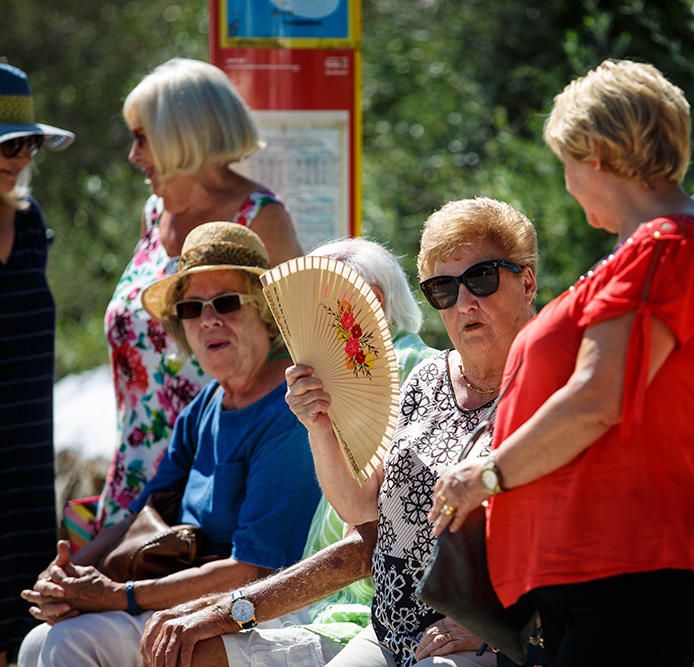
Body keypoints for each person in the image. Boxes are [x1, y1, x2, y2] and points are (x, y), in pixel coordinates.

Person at [431, 59, 694, 667]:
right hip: (602, 572)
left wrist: (487, 475)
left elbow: (596, 397)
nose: (568, 184)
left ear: (598, 154)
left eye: (567, 164)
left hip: (635, 567)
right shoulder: (658, 250)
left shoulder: (668, 249)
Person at [18, 222, 320, 667]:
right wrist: (63, 576)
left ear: (265, 311)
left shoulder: (290, 409)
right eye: (192, 309)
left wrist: (119, 596)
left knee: (72, 640)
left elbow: (254, 569)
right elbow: (142, 513)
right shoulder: (207, 404)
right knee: (37, 640)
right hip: (189, 592)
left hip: (261, 609)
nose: (209, 319)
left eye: (227, 302)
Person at [138, 236, 441, 666]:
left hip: (375, 616)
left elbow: (364, 544)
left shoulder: (413, 375)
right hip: (321, 606)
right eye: (190, 309)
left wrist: (225, 609)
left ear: (367, 302)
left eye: (314, 313)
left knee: (190, 649)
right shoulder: (327, 389)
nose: (299, 333)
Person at [288, 197, 537, 667]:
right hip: (388, 629)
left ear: (526, 282)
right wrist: (318, 424)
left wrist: (492, 624)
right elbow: (362, 505)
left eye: (481, 279)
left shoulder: (551, 385)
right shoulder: (423, 379)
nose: (464, 303)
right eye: (443, 289)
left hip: (486, 634)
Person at [96, 57, 303, 534]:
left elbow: (299, 343)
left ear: (180, 135)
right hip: (139, 471)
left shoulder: (259, 217)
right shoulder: (154, 214)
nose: (133, 155)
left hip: (220, 474)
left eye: (142, 137)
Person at [0, 63, 74, 667]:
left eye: (27, 142)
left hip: (26, 459)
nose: (20, 156)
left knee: (17, 612)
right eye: (6, 143)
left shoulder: (30, 223)